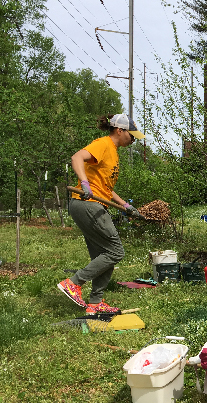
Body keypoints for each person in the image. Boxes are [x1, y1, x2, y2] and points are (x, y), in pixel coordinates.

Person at [57, 113, 145, 314]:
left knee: (104, 255)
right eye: (131, 135)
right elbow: (77, 157)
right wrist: (84, 183)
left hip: (93, 204)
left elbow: (104, 187)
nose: (133, 139)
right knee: (115, 251)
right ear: (120, 130)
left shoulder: (113, 152)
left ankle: (95, 303)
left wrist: (125, 206)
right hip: (87, 204)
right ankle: (73, 283)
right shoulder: (104, 144)